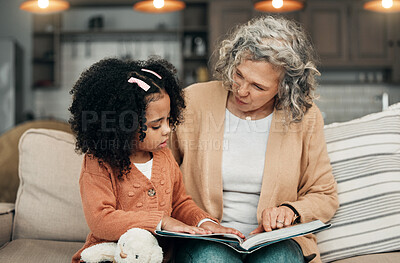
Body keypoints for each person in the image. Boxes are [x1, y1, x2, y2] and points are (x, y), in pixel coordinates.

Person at [170, 16, 339, 263]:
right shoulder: (193, 101)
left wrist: (290, 211)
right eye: (239, 75)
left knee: (279, 258)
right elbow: (161, 176)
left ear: (285, 88)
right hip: (205, 240)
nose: (241, 90)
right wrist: (199, 220)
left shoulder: (304, 117)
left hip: (275, 242)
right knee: (211, 258)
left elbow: (324, 195)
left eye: (258, 87)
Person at [69, 57, 242, 263]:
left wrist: (203, 222)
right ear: (122, 125)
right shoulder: (98, 163)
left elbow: (180, 203)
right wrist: (161, 221)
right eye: (156, 125)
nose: (168, 130)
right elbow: (101, 220)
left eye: (169, 120)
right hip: (110, 255)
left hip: (158, 257)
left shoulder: (164, 156)